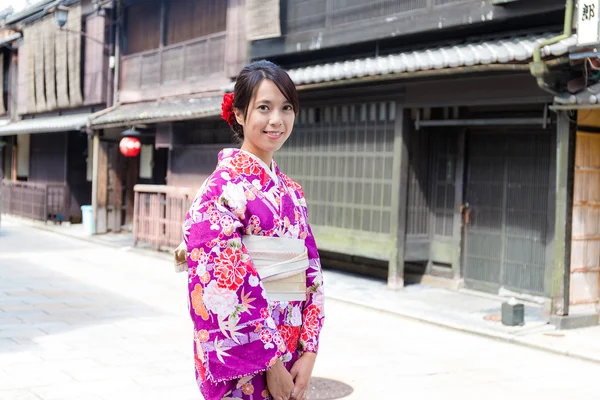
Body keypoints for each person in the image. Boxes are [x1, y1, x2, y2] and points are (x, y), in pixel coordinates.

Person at [180, 60, 325, 400]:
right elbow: (219, 281)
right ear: (240, 114)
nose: (277, 120)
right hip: (249, 358)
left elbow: (312, 271)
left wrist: (309, 350)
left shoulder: (293, 191)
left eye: (286, 108)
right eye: (264, 107)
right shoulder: (220, 190)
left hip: (291, 347)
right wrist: (270, 363)